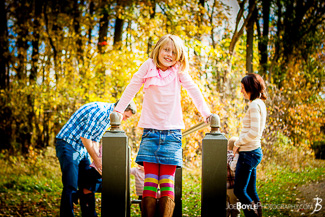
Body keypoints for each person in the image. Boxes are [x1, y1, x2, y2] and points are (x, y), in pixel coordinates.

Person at [114, 34, 211, 217]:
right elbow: (132, 86)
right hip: (150, 133)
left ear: (179, 56)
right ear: (158, 49)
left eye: (174, 52)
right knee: (150, 181)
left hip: (172, 134)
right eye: (166, 49)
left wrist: (206, 113)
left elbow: (194, 91)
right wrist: (119, 110)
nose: (169, 54)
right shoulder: (147, 66)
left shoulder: (178, 71)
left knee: (167, 181)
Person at [55, 101, 136, 217]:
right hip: (68, 145)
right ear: (121, 108)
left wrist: (98, 160)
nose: (124, 120)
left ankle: (89, 215)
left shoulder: (109, 118)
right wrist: (97, 161)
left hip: (81, 149)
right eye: (126, 116)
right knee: (71, 183)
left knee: (88, 182)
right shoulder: (100, 112)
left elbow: (95, 140)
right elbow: (85, 138)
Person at [233, 74, 267, 217]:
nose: (241, 91)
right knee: (251, 191)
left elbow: (254, 132)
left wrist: (237, 143)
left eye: (242, 88)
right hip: (253, 152)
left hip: (249, 153)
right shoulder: (260, 103)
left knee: (239, 191)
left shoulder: (254, 105)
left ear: (250, 88)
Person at [227, 137, 240, 217]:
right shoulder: (236, 156)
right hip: (234, 188)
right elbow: (234, 169)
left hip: (224, 187)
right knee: (235, 209)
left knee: (226, 209)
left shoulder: (223, 155)